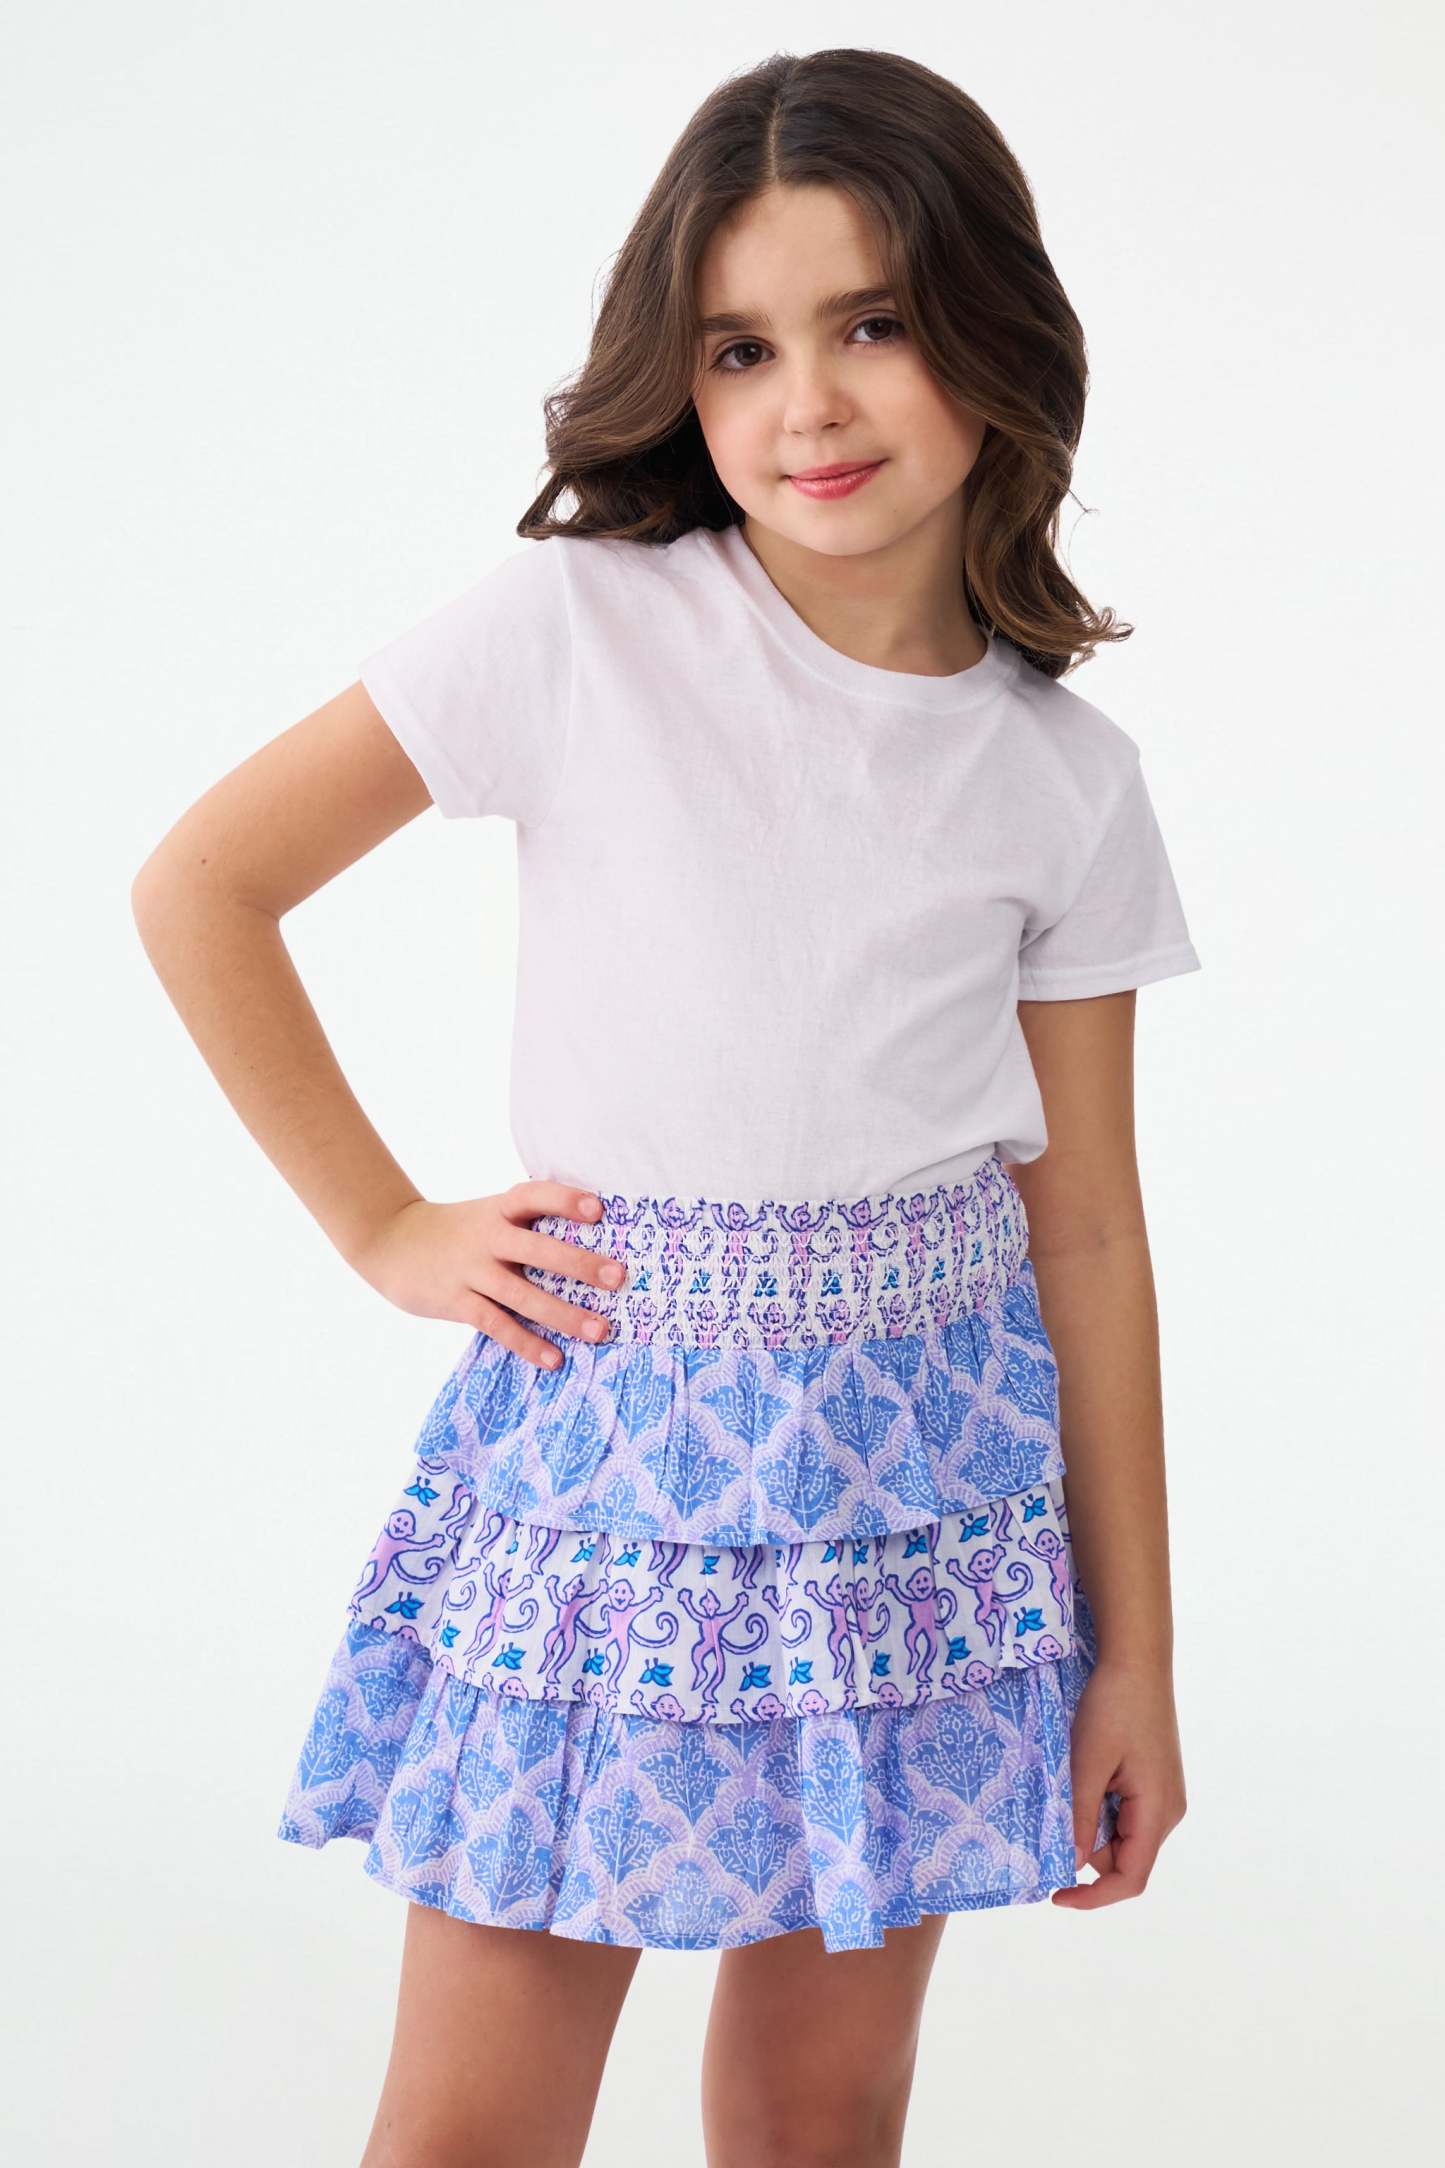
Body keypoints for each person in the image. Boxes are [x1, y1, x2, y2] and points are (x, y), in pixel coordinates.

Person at [132, 45, 1200, 2168]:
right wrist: (384, 1224)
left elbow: (1084, 1224)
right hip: (611, 1467)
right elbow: (204, 885)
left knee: (821, 2113)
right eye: (741, 348)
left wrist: (1133, 1655)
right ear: (679, 378)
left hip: (914, 1490)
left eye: (871, 323)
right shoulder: (580, 629)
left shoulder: (1063, 781)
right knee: (474, 2122)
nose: (809, 404)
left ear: (995, 331)